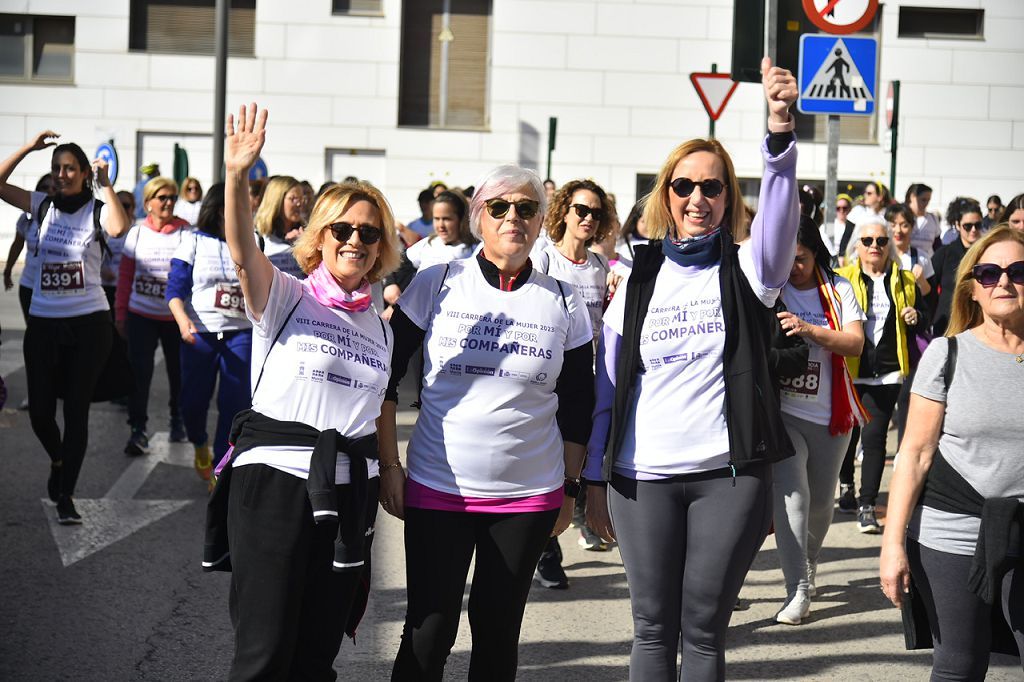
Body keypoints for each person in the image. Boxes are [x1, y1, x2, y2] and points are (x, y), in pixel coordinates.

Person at [582, 57, 799, 680]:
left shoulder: (750, 268)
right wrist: (594, 478)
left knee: (702, 632)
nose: (697, 198)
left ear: (729, 196)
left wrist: (780, 137)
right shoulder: (637, 277)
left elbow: (780, 225)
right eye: (684, 186)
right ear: (666, 196)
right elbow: (608, 388)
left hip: (726, 476)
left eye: (712, 186)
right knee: (651, 629)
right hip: (639, 477)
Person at [380, 164, 595, 680]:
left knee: (498, 630)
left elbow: (578, 403)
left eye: (525, 208)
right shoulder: (436, 283)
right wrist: (389, 465)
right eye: (499, 207)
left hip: (527, 496)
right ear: (479, 216)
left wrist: (569, 490)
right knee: (428, 632)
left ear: (542, 221)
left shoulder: (564, 298)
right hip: (438, 487)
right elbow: (384, 375)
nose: (512, 217)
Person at [211, 103, 400, 680]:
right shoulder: (288, 295)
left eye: (369, 233)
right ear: (321, 236)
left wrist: (388, 469)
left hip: (348, 498)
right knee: (265, 654)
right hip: (275, 484)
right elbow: (243, 254)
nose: (356, 241)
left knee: (317, 654)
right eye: (343, 229)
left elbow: (374, 413)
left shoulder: (381, 326)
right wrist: (239, 176)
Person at [880, 225, 1024, 680]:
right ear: (973, 289)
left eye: (1018, 271)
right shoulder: (946, 353)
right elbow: (915, 453)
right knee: (959, 665)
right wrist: (891, 544)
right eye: (989, 273)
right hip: (951, 531)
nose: (1003, 282)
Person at [0, 131, 130, 524]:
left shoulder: (95, 209)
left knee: (76, 411)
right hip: (43, 321)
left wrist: (105, 185)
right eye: (56, 168)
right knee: (40, 411)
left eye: (69, 168)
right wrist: (27, 148)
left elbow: (120, 228)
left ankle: (67, 495)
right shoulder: (41, 205)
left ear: (83, 172)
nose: (61, 175)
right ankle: (58, 460)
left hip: (89, 323)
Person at [772, 217, 866, 625]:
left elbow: (855, 342)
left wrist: (809, 329)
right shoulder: (773, 289)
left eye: (802, 259)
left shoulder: (839, 288)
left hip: (832, 415)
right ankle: (798, 589)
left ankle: (809, 563)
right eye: (788, 260)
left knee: (822, 505)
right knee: (794, 499)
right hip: (784, 412)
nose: (794, 268)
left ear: (816, 253)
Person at [532, 178, 615, 589]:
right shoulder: (546, 261)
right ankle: (546, 553)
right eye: (581, 209)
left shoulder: (600, 266)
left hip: (593, 376)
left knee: (577, 460)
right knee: (550, 460)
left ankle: (575, 521)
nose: (587, 218)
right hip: (553, 376)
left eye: (596, 212)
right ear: (564, 211)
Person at [835, 216, 926, 531]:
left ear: (889, 246)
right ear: (857, 246)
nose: (875, 246)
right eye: (868, 241)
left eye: (881, 241)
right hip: (850, 369)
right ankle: (846, 482)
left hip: (886, 372)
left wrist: (915, 315)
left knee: (874, 440)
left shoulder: (905, 280)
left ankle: (866, 504)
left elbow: (924, 314)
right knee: (847, 436)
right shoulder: (842, 278)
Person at [166, 183, 252, 483]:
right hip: (199, 333)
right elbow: (175, 288)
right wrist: (181, 320)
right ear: (218, 210)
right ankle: (199, 442)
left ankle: (220, 464)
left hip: (241, 332)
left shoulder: (252, 240)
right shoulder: (192, 241)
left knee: (235, 402)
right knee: (192, 402)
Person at [117, 177, 190, 454]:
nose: (168, 202)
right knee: (139, 375)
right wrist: (120, 314)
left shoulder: (185, 232)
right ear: (148, 202)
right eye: (162, 197)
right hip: (141, 316)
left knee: (178, 374)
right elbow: (126, 277)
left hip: (175, 319)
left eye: (172, 197)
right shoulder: (136, 233)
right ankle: (138, 429)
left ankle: (177, 419)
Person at [383, 190, 477, 307]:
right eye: (436, 219)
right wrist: (390, 284)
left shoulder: (476, 250)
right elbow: (398, 263)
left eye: (447, 219)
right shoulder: (429, 244)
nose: (441, 225)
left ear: (461, 218)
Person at [931, 198, 985, 338]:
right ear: (957, 225)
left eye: (977, 225)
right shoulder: (944, 253)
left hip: (978, 324)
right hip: (946, 325)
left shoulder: (986, 254)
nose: (973, 230)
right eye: (967, 226)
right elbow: (929, 291)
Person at [4, 173, 54, 320]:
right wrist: (8, 270)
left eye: (54, 187)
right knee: (34, 333)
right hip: (29, 285)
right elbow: (17, 245)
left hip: (54, 290)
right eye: (45, 187)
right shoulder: (27, 219)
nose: (50, 190)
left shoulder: (67, 218)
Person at [254, 175, 305, 278]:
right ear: (277, 200)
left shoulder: (306, 233)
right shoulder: (259, 237)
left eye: (301, 198)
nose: (299, 204)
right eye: (293, 199)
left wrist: (306, 245)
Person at [888, 203, 933, 297]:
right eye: (893, 225)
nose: (898, 230)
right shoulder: (879, 255)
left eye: (904, 225)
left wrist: (921, 281)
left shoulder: (922, 258)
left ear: (912, 227)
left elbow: (930, 297)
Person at [102, 191, 134, 315]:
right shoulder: (103, 229)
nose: (121, 209)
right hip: (106, 287)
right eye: (118, 204)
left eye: (126, 205)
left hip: (128, 289)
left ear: (133, 208)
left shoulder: (138, 231)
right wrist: (102, 271)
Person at [905, 183, 940, 258]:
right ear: (912, 197)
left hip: (927, 261)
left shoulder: (933, 219)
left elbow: (937, 246)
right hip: (906, 260)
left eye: (928, 200)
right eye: (923, 200)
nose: (926, 203)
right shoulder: (903, 217)